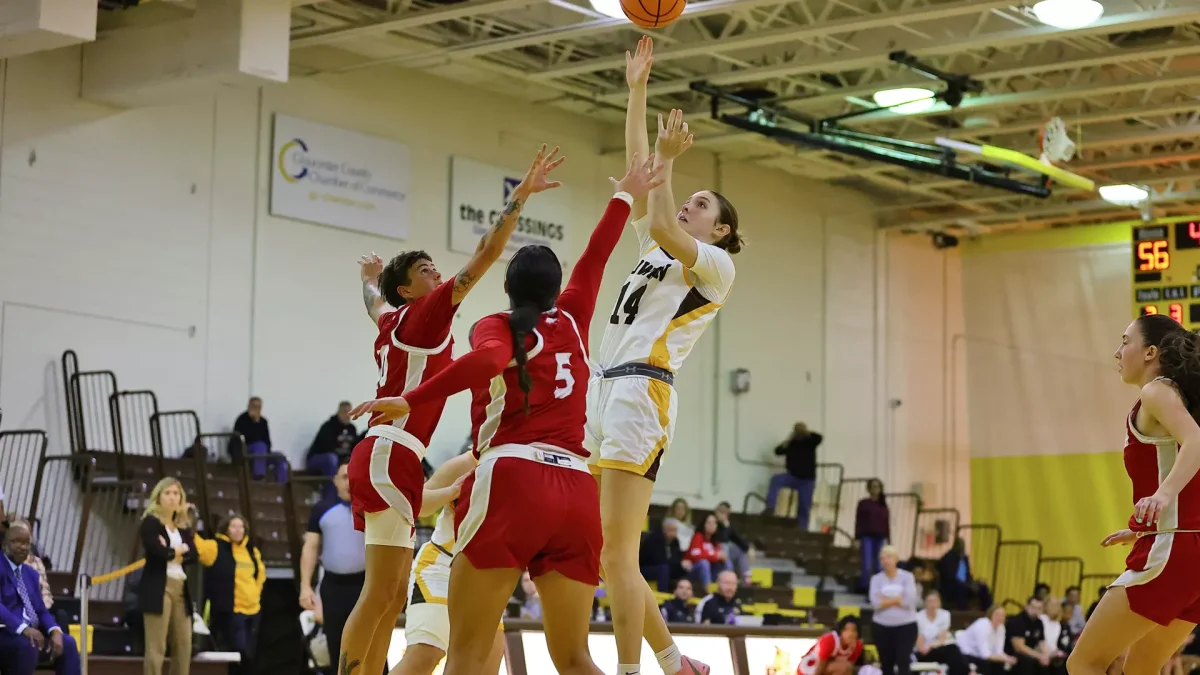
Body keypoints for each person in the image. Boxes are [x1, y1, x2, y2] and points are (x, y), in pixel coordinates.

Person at [350, 154, 664, 675]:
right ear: (557, 287)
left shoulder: (495, 325)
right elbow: (597, 255)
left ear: (507, 289)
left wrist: (415, 397)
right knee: (574, 656)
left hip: (514, 477)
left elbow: (492, 359)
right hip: (577, 487)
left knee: (469, 653)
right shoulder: (575, 314)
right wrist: (624, 194)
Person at [340, 144, 565, 675]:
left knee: (392, 595)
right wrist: (519, 198)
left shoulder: (391, 320)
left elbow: (374, 302)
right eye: (424, 269)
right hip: (390, 451)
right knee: (381, 594)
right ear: (408, 289)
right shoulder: (425, 315)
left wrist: (368, 277)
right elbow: (486, 255)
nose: (436, 272)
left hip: (385, 453)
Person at [590, 35, 743, 675]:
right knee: (605, 555)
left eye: (702, 205)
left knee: (621, 555)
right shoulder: (660, 247)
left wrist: (669, 159)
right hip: (605, 392)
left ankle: (633, 671)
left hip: (642, 393)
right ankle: (675, 660)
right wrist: (636, 90)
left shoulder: (715, 266)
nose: (687, 202)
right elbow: (641, 174)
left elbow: (657, 216)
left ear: (723, 229)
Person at [1067, 314, 1200, 675]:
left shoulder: (1156, 391)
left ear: (1150, 352)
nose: (1117, 351)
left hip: (1172, 552)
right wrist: (1149, 527)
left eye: (1126, 341)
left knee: (1084, 662)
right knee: (1142, 668)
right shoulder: (1178, 398)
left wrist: (1163, 497)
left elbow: (1196, 443)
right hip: (1189, 550)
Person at [389, 452, 505, 675]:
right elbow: (419, 506)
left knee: (486, 666)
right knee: (425, 654)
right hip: (443, 566)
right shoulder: (470, 461)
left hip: (487, 577)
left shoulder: (536, 467)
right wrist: (451, 492)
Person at [298, 458, 365, 675]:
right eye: (344, 477)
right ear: (335, 480)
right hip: (333, 586)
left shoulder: (370, 508)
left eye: (352, 477)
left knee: (370, 644)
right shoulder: (322, 509)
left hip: (364, 585)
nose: (348, 482)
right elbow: (310, 548)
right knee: (336, 646)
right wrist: (306, 587)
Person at [0, 520, 80, 675]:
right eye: (17, 542)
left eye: (27, 543)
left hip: (31, 635)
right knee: (28, 644)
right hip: (6, 633)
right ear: (5, 544)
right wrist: (23, 629)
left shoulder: (31, 574)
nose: (23, 547)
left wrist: (55, 631)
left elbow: (41, 610)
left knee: (68, 643)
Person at [138, 477, 198, 675]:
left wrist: (173, 551)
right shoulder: (150, 523)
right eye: (168, 493)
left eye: (176, 494)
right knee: (157, 647)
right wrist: (178, 552)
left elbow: (193, 555)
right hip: (159, 587)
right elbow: (156, 551)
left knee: (184, 645)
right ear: (159, 497)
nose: (172, 498)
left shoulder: (182, 526)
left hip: (181, 588)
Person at [194, 514, 266, 675]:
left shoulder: (251, 550)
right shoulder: (216, 547)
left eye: (240, 526)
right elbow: (198, 546)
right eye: (233, 526)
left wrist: (256, 594)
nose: (237, 530)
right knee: (240, 651)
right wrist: (188, 524)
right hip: (232, 609)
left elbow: (260, 575)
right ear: (226, 528)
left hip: (253, 610)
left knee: (250, 652)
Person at [869, 544, 918, 675]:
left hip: (905, 626)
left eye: (888, 557)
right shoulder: (876, 579)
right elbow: (875, 603)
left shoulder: (907, 577)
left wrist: (885, 599)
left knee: (903, 661)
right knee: (886, 664)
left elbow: (909, 601)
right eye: (882, 558)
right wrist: (897, 599)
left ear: (896, 559)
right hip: (881, 626)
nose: (885, 561)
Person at [767, 423, 823, 527]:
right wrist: (788, 440)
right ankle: (770, 506)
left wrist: (807, 433)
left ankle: (802, 528)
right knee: (776, 480)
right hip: (792, 476)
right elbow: (778, 451)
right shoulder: (792, 443)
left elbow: (819, 438)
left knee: (804, 506)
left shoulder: (810, 442)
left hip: (807, 480)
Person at [915, 590, 968, 675]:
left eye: (935, 601)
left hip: (939, 649)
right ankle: (968, 672)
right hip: (923, 652)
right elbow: (919, 644)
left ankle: (965, 671)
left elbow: (942, 639)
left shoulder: (945, 614)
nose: (932, 604)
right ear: (925, 603)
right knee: (953, 650)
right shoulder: (918, 617)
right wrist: (925, 648)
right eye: (929, 601)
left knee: (954, 654)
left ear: (940, 602)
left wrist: (930, 646)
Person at [959, 605, 1017, 675]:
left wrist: (1008, 658)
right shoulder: (982, 625)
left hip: (982, 656)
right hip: (966, 653)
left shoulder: (1001, 628)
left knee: (1000, 665)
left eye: (1003, 615)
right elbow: (985, 655)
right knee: (987, 664)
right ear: (990, 615)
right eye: (997, 614)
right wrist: (1005, 659)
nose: (1000, 617)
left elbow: (999, 651)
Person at [796, 616, 864, 675]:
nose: (850, 634)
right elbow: (819, 669)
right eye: (846, 630)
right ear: (840, 631)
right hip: (810, 668)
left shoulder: (858, 645)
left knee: (847, 668)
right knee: (843, 667)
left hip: (829, 669)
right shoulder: (830, 640)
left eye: (854, 630)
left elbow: (849, 669)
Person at [307, 402, 359, 479]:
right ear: (338, 412)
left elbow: (355, 448)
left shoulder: (352, 429)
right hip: (318, 458)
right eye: (344, 412)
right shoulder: (328, 427)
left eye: (350, 412)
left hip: (341, 460)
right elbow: (327, 448)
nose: (347, 415)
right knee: (332, 458)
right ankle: (331, 490)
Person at [855, 478, 889, 591]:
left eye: (878, 487)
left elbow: (886, 523)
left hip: (880, 537)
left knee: (879, 565)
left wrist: (888, 539)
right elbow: (859, 521)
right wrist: (857, 537)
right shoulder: (864, 503)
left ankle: (877, 588)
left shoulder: (883, 505)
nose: (876, 489)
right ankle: (864, 585)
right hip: (867, 536)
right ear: (869, 489)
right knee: (867, 563)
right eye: (874, 486)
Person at [1007, 596, 1050, 675]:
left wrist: (1045, 655)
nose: (1035, 611)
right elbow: (1019, 647)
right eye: (1033, 607)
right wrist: (1039, 656)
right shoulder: (1018, 621)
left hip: (1031, 652)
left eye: (1039, 608)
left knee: (1051, 662)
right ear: (1027, 607)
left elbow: (1042, 642)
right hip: (1014, 654)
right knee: (1027, 661)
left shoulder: (1039, 623)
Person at [684, 514, 728, 590]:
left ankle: (726, 588)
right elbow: (696, 556)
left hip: (711, 572)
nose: (711, 525)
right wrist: (715, 556)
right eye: (709, 523)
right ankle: (708, 590)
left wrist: (721, 557)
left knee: (727, 563)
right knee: (704, 563)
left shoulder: (716, 541)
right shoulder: (697, 536)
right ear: (703, 524)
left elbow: (718, 556)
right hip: (694, 571)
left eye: (714, 523)